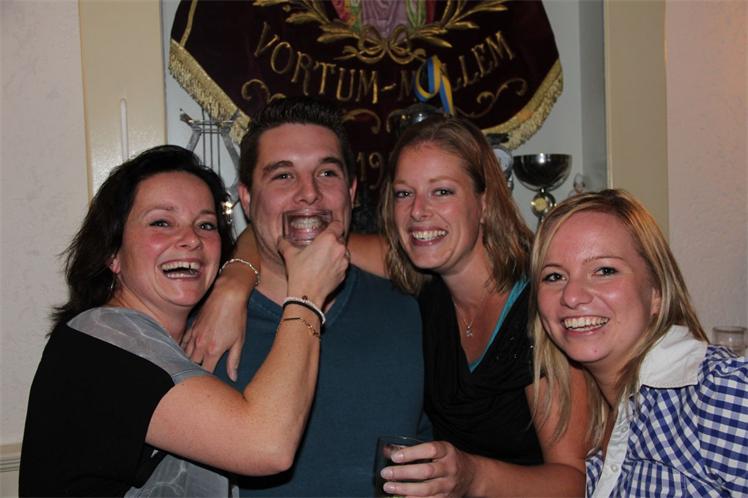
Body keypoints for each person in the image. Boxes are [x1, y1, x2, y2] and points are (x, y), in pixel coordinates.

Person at [191, 114, 589, 497]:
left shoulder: (538, 311)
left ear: (484, 203)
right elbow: (292, 226)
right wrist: (236, 278)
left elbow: (575, 482)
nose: (418, 211)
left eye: (442, 191)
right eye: (404, 193)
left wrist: (472, 477)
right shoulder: (417, 281)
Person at [19, 145, 349, 497]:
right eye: (161, 222)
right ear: (112, 253)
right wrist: (306, 296)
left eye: (205, 225)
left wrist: (236, 278)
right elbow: (266, 446)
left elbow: (254, 234)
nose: (191, 239)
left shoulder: (168, 342)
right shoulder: (101, 345)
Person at [192, 97, 428, 497]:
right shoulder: (203, 328)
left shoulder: (406, 310)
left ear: (352, 192)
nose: (309, 194)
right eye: (283, 175)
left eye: (327, 173)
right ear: (246, 198)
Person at [531, 189, 748, 497]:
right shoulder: (589, 423)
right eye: (554, 276)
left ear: (656, 291)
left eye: (604, 271)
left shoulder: (718, 392)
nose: (572, 296)